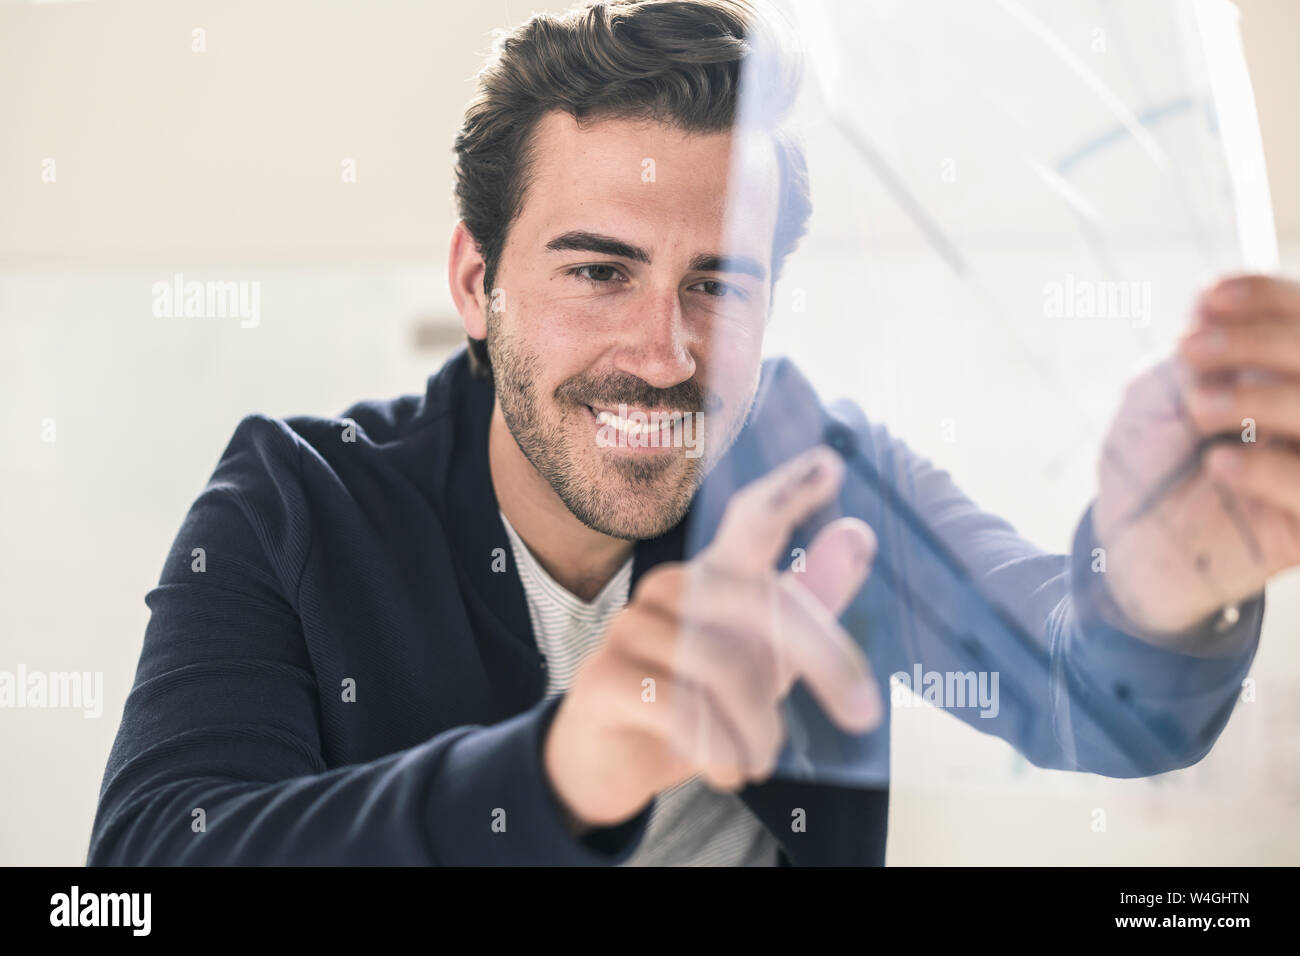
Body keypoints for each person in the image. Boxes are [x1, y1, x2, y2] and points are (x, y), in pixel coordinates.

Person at [88, 0, 1297, 867]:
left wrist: (1151, 594)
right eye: (600, 271)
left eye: (719, 284)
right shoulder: (294, 501)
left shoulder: (821, 476)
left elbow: (1086, 685)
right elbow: (140, 870)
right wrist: (562, 770)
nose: (666, 355)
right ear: (475, 281)